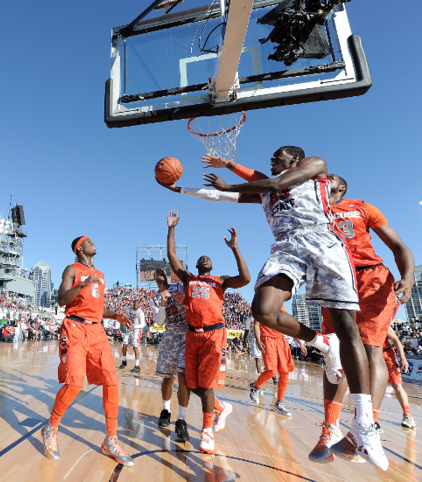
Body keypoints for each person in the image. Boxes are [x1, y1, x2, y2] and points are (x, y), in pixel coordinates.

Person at [173, 148, 387, 470]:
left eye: (277, 157)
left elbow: (271, 184)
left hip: (323, 244)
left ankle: (364, 426)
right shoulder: (265, 192)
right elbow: (218, 196)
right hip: (287, 249)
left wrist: (230, 176)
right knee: (263, 308)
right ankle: (322, 344)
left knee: (347, 327)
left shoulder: (315, 168)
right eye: (271, 160)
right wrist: (177, 189)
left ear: (294, 161)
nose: (271, 161)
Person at [305, 174, 415, 465]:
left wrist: (408, 277)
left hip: (371, 279)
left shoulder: (363, 208)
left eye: (325, 182)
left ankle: (365, 431)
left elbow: (399, 246)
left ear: (340, 189)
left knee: (370, 350)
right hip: (334, 282)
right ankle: (330, 428)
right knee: (335, 355)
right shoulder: (310, 209)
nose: (318, 186)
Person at [40, 236, 134, 466]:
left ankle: (111, 439)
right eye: (89, 241)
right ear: (80, 247)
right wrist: (81, 285)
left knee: (111, 382)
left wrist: (116, 315)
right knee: (74, 382)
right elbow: (61, 299)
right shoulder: (72, 269)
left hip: (96, 330)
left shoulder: (100, 275)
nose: (94, 244)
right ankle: (51, 429)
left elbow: (98, 308)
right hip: (74, 327)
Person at [166, 211, 249, 454]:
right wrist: (171, 228)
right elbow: (172, 256)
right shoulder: (189, 279)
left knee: (207, 383)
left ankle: (207, 431)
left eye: (208, 257)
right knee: (191, 383)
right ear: (197, 266)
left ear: (210, 265)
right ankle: (220, 407)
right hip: (193, 335)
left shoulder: (220, 280)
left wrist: (235, 248)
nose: (204, 257)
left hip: (214, 334)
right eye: (201, 257)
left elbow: (245, 278)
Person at [150, 268, 193, 442]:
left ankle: (181, 419)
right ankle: (166, 410)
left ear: (166, 276)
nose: (159, 273)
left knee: (184, 378)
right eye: (156, 272)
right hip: (169, 335)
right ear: (154, 279)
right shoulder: (154, 297)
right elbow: (160, 322)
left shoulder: (179, 288)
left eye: (162, 271)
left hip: (186, 335)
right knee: (167, 377)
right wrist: (162, 303)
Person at [248, 305, 306, 416]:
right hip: (267, 338)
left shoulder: (283, 307)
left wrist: (299, 342)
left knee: (285, 372)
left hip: (281, 340)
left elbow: (288, 327)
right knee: (271, 371)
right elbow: (256, 324)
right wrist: (259, 340)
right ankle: (255, 387)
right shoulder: (263, 302)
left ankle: (279, 402)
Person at [383, 327, 416, 429]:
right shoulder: (359, 320)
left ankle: (407, 415)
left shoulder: (383, 321)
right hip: (369, 354)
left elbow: (396, 339)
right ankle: (370, 417)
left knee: (397, 385)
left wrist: (402, 357)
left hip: (387, 354)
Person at [119, 300, 145, 373]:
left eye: (137, 303)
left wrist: (134, 326)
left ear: (139, 304)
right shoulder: (129, 309)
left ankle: (137, 365)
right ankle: (124, 361)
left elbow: (143, 324)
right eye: (134, 303)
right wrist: (125, 318)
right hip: (130, 329)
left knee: (135, 346)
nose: (135, 304)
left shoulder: (141, 313)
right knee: (124, 344)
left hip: (137, 330)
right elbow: (126, 315)